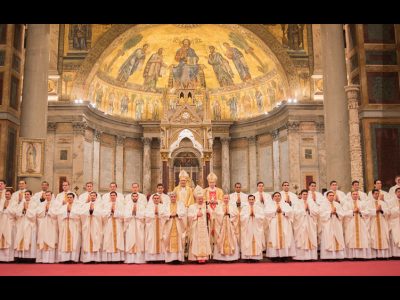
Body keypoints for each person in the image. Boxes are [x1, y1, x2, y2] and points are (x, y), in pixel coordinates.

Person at [265, 192, 296, 260]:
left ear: (281, 197)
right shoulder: (270, 205)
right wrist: (275, 212)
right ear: (273, 198)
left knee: (285, 237)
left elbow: (291, 212)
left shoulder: (285, 204)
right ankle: (274, 257)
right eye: (275, 196)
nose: (277, 197)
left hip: (284, 224)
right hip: (274, 225)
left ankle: (284, 256)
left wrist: (284, 212)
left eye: (278, 196)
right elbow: (267, 213)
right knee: (274, 238)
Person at [342, 190, 373, 259]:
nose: (355, 195)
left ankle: (362, 256)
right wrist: (353, 211)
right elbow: (344, 213)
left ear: (358, 195)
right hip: (351, 224)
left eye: (356, 194)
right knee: (351, 238)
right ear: (351, 195)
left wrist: (360, 211)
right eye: (354, 194)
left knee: (363, 237)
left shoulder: (363, 203)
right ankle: (351, 256)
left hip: (361, 223)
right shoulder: (347, 204)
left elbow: (368, 212)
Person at [187, 186, 212, 263]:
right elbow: (189, 216)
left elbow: (211, 216)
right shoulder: (192, 207)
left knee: (204, 241)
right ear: (196, 199)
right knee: (195, 241)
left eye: (201, 198)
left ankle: (204, 257)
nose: (200, 200)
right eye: (199, 199)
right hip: (196, 227)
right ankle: (195, 258)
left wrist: (209, 213)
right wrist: (196, 215)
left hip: (204, 227)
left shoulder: (206, 206)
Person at [292, 189, 318, 261]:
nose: (305, 196)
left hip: (310, 223)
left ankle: (311, 257)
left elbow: (316, 212)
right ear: (301, 195)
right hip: (301, 223)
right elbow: (295, 213)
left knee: (310, 237)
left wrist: (309, 210)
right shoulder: (297, 203)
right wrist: (304, 210)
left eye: (306, 194)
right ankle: (301, 257)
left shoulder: (312, 203)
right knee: (301, 238)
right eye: (304, 194)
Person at [319, 191, 346, 260]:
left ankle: (338, 256)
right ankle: (328, 256)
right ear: (327, 197)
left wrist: (336, 212)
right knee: (328, 238)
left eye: (332, 195)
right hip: (328, 224)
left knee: (338, 237)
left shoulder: (337, 204)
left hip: (336, 223)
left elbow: (342, 214)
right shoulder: (323, 205)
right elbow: (321, 214)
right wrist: (330, 212)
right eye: (330, 195)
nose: (331, 197)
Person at [161, 192, 186, 263]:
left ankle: (179, 258)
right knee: (169, 239)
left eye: (174, 197)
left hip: (178, 224)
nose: (173, 198)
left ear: (176, 197)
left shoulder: (180, 204)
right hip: (169, 224)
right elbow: (162, 213)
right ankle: (170, 259)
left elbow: (183, 212)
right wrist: (170, 215)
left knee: (179, 240)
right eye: (172, 197)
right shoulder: (166, 205)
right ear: (170, 198)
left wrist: (177, 214)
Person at [213, 194, 240, 261]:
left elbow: (236, 214)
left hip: (230, 226)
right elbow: (216, 214)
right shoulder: (219, 207)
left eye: (227, 198)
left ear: (229, 199)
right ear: (222, 199)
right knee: (221, 238)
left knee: (232, 238)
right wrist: (223, 214)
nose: (226, 199)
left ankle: (232, 258)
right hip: (221, 226)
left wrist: (229, 214)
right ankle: (220, 257)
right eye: (224, 198)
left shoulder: (233, 206)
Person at [80, 192, 104, 263]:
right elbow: (81, 214)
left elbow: (102, 214)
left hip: (96, 225)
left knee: (96, 240)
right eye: (91, 195)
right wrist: (89, 211)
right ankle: (87, 259)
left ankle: (96, 259)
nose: (92, 197)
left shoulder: (100, 205)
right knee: (87, 240)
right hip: (87, 225)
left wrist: (93, 211)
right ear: (89, 197)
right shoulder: (85, 205)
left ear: (96, 197)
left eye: (94, 196)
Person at [14, 190, 38, 260]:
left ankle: (29, 258)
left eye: (28, 194)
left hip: (29, 224)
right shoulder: (21, 203)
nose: (26, 196)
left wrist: (27, 209)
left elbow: (34, 215)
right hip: (22, 223)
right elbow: (17, 214)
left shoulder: (34, 204)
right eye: (25, 194)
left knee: (29, 239)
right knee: (20, 238)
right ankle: (21, 257)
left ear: (31, 195)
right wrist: (22, 210)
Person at [57, 193, 81, 262]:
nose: (69, 199)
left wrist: (70, 213)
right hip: (65, 226)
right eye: (68, 197)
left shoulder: (77, 207)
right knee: (64, 242)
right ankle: (65, 258)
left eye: (71, 197)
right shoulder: (63, 207)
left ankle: (73, 258)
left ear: (73, 198)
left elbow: (79, 215)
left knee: (74, 241)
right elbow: (59, 215)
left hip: (74, 226)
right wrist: (66, 213)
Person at [240, 194, 265, 261]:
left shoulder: (258, 208)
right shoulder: (244, 208)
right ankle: (247, 257)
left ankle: (256, 258)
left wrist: (255, 215)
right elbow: (241, 217)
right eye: (250, 199)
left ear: (254, 200)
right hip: (248, 228)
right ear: (248, 200)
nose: (251, 201)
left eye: (252, 199)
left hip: (256, 227)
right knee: (247, 241)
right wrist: (248, 215)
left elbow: (262, 217)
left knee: (256, 240)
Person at [102, 191, 125, 262]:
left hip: (118, 223)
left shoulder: (120, 204)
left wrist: (115, 212)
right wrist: (110, 212)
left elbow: (123, 214)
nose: (112, 196)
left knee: (118, 239)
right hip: (109, 223)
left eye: (114, 195)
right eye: (111, 195)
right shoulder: (106, 204)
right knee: (109, 239)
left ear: (116, 196)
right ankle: (109, 259)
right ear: (110, 196)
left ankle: (118, 258)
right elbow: (103, 214)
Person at [36, 191, 58, 263]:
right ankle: (42, 259)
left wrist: (49, 211)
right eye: (46, 195)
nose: (47, 196)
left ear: (52, 196)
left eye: (49, 195)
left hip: (51, 224)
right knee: (42, 239)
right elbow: (38, 213)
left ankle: (51, 259)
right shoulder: (41, 204)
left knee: (51, 239)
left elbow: (57, 214)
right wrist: (45, 210)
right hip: (43, 224)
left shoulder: (55, 204)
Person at [368, 189, 390, 258]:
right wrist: (375, 210)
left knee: (383, 237)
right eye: (375, 194)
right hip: (373, 222)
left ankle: (383, 255)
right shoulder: (369, 203)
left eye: (378, 193)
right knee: (374, 237)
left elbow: (388, 212)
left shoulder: (383, 203)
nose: (377, 195)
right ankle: (375, 256)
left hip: (382, 222)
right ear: (372, 194)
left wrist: (381, 210)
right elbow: (367, 212)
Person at [124, 192, 146, 264]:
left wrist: (136, 214)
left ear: (138, 197)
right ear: (131, 197)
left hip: (139, 225)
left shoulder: (141, 205)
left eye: (136, 196)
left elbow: (144, 215)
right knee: (130, 239)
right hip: (130, 224)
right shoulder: (128, 205)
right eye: (133, 196)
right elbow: (125, 215)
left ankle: (139, 260)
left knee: (139, 240)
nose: (135, 197)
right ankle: (130, 260)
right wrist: (132, 213)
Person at [204, 172, 223, 253]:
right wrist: (209, 202)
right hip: (208, 212)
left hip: (217, 212)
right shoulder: (204, 191)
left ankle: (217, 248)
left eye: (213, 182)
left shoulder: (219, 191)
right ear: (208, 182)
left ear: (215, 183)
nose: (212, 184)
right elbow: (202, 200)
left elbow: (222, 201)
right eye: (210, 182)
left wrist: (216, 201)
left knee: (218, 229)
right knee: (208, 229)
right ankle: (209, 248)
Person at [144, 193, 165, 262]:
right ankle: (151, 258)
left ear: (159, 199)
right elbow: (146, 215)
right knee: (151, 240)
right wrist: (154, 214)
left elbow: (166, 215)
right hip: (151, 226)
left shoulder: (162, 206)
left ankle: (161, 258)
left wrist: (159, 215)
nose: (156, 200)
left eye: (157, 198)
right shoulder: (149, 207)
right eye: (155, 198)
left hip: (161, 225)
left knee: (161, 240)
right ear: (152, 199)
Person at [0, 189, 15, 262]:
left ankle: (9, 258)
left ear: (11, 195)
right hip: (2, 222)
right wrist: (3, 208)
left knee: (9, 239)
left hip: (9, 223)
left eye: (8, 194)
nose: (6, 195)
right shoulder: (2, 201)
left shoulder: (14, 202)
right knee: (2, 239)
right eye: (6, 194)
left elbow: (14, 212)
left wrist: (7, 208)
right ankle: (1, 258)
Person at [389, 187, 400, 257]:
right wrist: (398, 208)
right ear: (395, 193)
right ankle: (396, 255)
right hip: (395, 221)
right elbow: (390, 211)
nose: (399, 193)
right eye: (398, 192)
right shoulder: (391, 201)